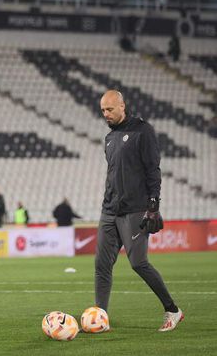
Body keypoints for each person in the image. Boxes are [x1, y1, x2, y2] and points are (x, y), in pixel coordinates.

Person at [96, 89, 182, 331]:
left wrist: (153, 206)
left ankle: (173, 310)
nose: (106, 114)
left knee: (138, 263)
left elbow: (153, 169)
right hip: (109, 211)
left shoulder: (143, 131)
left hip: (135, 210)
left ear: (122, 106)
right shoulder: (110, 138)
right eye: (103, 110)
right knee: (102, 266)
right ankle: (100, 320)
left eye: (110, 109)